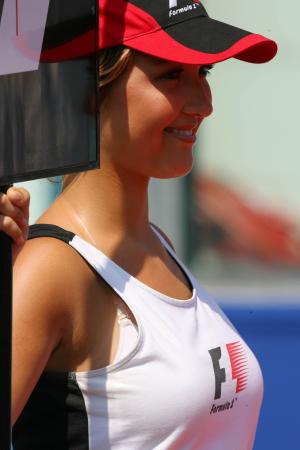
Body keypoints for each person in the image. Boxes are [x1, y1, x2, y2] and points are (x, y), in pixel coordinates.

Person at [0, 1, 277, 449]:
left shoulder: (158, 245)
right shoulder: (48, 271)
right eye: (171, 76)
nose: (203, 104)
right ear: (88, 91)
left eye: (204, 73)